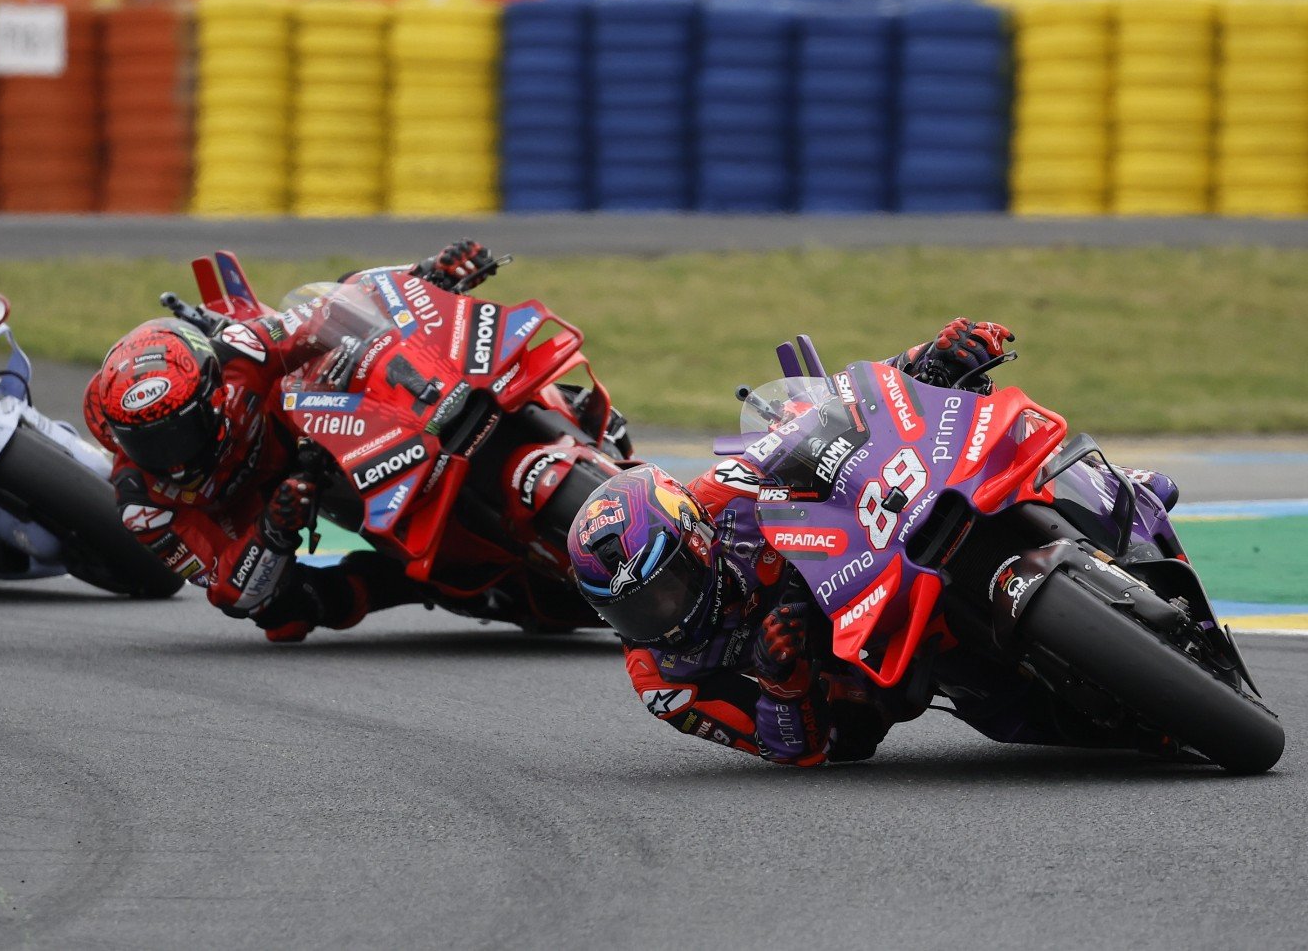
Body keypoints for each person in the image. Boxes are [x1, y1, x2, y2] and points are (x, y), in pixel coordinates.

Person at [568, 319, 1185, 767]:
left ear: (694, 536)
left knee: (975, 458)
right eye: (634, 611)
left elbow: (834, 410)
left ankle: (1109, 491)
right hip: (851, 673)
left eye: (664, 590)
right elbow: (789, 750)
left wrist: (929, 358)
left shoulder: (718, 495)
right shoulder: (664, 680)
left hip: (864, 550)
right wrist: (782, 681)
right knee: (995, 705)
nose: (658, 616)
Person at [85, 241, 610, 642]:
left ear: (213, 395)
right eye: (148, 442)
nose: (171, 455)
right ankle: (414, 579)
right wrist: (272, 529)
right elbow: (228, 588)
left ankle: (555, 406)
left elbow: (331, 308)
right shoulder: (143, 502)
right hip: (277, 510)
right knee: (286, 615)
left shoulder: (237, 357)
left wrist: (427, 275)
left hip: (322, 428)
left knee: (390, 348)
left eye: (178, 431)